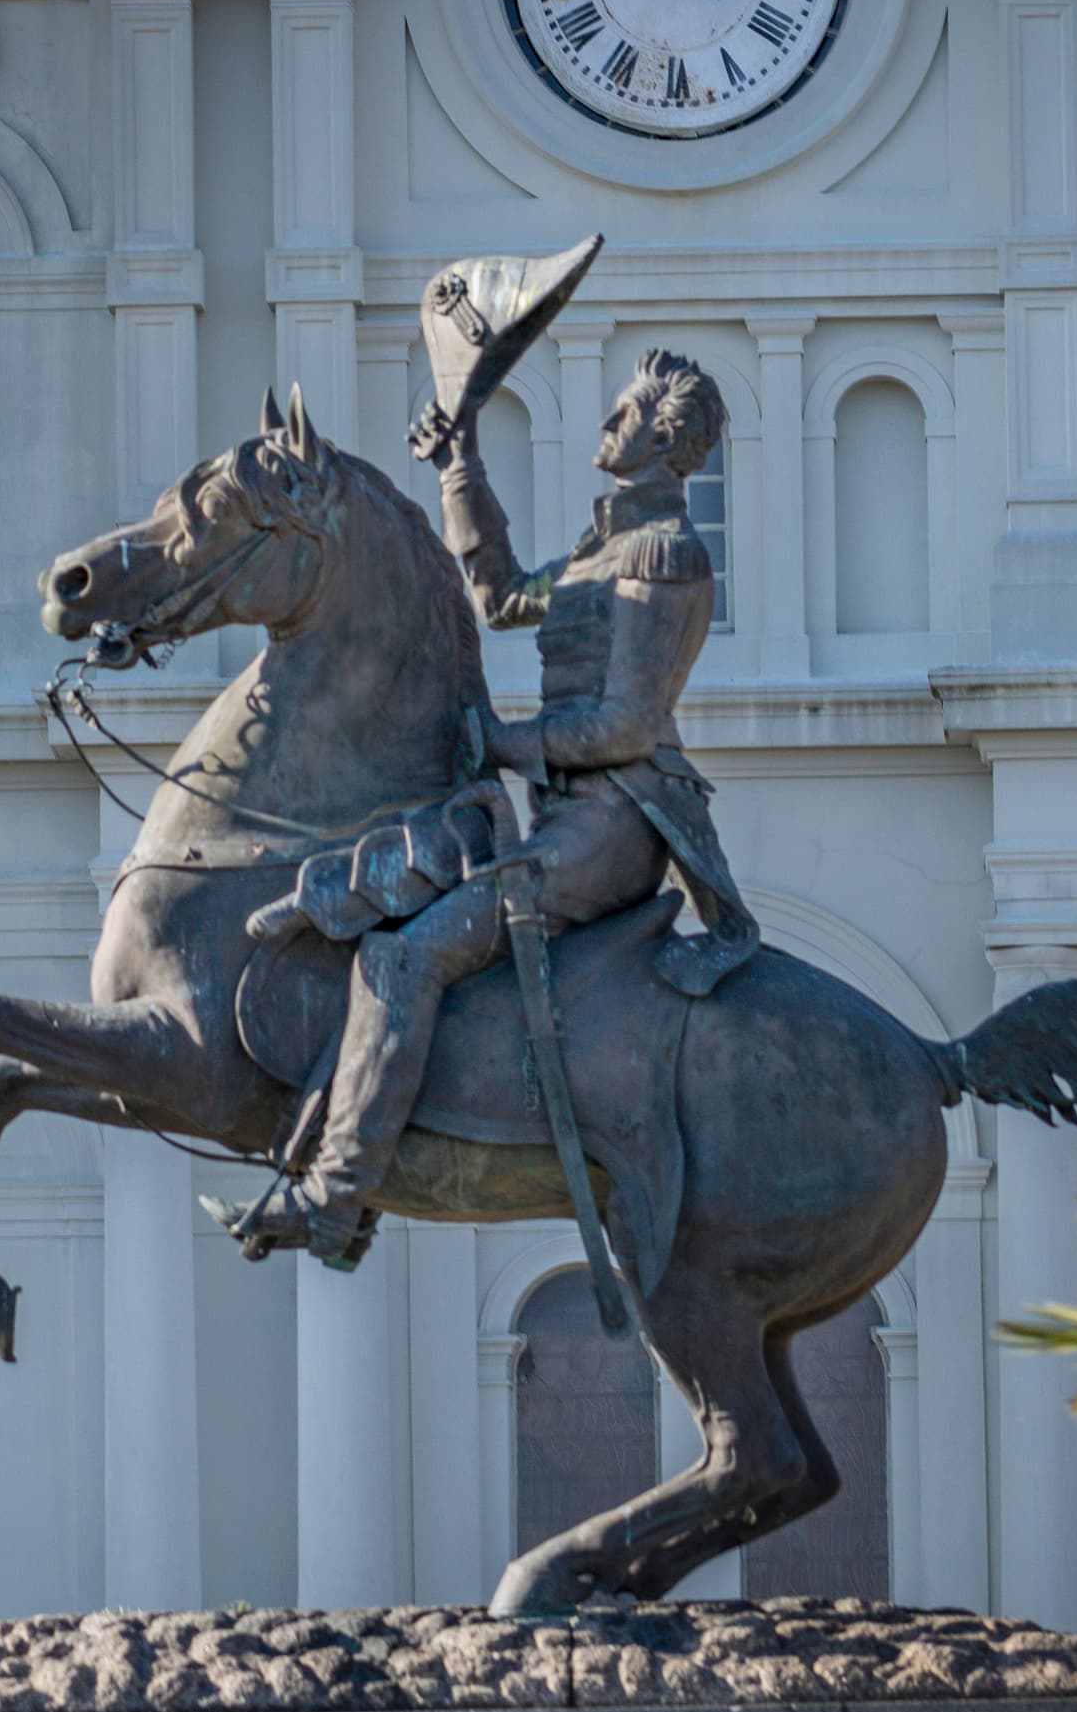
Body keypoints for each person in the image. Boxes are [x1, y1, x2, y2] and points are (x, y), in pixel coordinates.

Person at [233, 270, 755, 1263]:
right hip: (560, 810)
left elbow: (625, 725)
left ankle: (338, 1201)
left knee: (406, 954)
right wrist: (460, 465)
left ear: (663, 438)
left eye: (630, 409)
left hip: (613, 827)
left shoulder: (664, 557)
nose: (610, 415)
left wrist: (502, 739)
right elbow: (505, 595)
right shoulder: (604, 549)